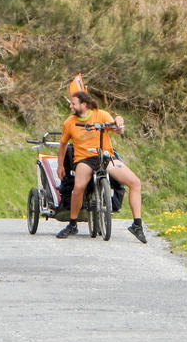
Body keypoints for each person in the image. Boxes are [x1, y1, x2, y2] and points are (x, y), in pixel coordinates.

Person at [56, 91, 146, 243]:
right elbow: (63, 145)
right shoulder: (69, 123)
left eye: (73, 103)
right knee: (78, 187)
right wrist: (60, 165)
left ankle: (137, 225)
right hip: (84, 159)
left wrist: (119, 122)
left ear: (83, 105)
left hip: (105, 156)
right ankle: (72, 224)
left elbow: (118, 131)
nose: (70, 106)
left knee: (135, 183)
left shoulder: (101, 115)